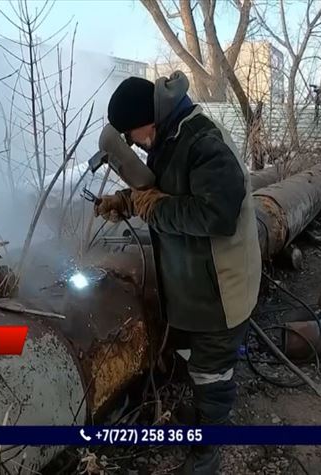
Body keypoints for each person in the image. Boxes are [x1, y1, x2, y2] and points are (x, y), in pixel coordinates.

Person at [94, 71, 262, 474]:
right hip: (195, 285)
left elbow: (215, 215)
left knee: (212, 371)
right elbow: (166, 187)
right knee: (193, 359)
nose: (134, 144)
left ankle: (211, 449)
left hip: (221, 287)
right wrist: (126, 201)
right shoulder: (171, 137)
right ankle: (205, 418)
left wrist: (154, 209)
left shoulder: (203, 142)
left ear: (146, 119)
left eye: (133, 135)